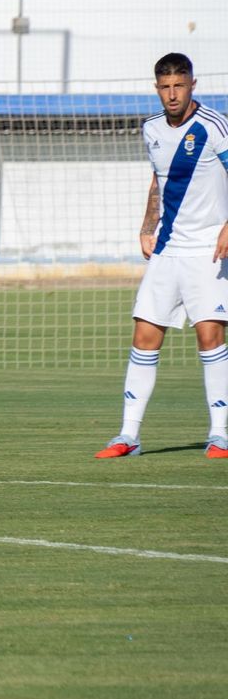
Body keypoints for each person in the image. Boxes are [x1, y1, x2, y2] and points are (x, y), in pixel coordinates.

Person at [96, 53, 228, 460]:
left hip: (208, 249)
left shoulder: (214, 126)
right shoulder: (151, 128)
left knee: (209, 335)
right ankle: (128, 436)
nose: (173, 94)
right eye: (165, 87)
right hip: (168, 249)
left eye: (179, 86)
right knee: (144, 336)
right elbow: (159, 179)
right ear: (157, 88)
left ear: (192, 85)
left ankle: (220, 435)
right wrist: (146, 227)